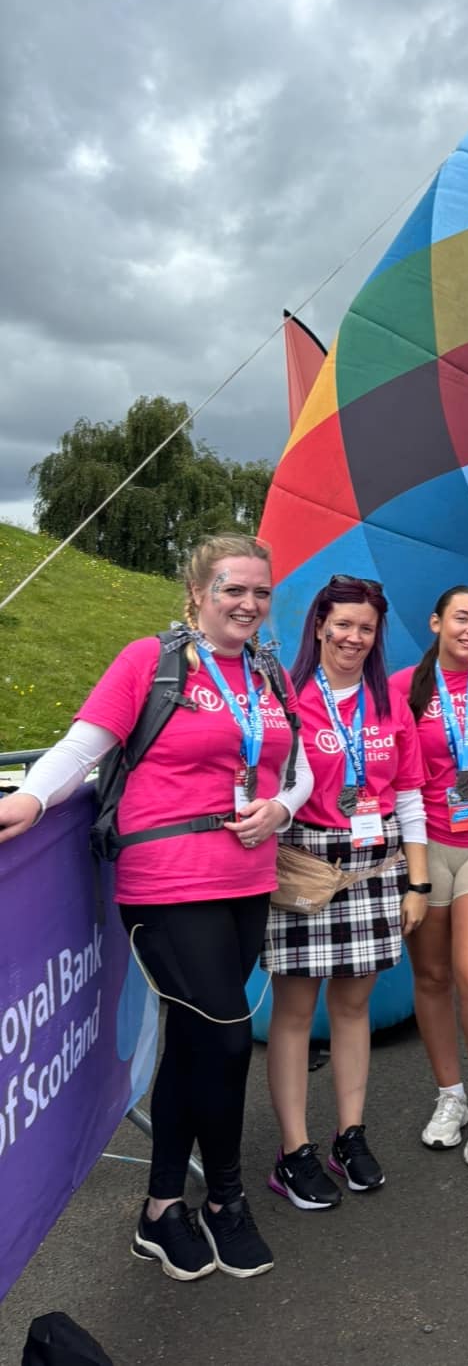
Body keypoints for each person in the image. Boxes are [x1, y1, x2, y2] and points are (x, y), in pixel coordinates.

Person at [0, 535, 312, 1281]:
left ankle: (160, 1207)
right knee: (231, 1040)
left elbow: (295, 767)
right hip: (166, 879)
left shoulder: (268, 671)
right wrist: (32, 797)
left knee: (198, 1042)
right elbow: (84, 745)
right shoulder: (151, 659)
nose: (248, 604)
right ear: (197, 591)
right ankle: (226, 1199)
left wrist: (279, 807)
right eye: (233, 588)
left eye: (261, 592)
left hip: (247, 878)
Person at [262, 576, 430, 1209]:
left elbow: (409, 798)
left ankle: (348, 1135)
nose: (354, 638)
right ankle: (294, 1149)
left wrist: (417, 882)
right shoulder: (287, 700)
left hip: (375, 866)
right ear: (319, 627)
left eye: (365, 628)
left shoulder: (389, 706)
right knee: (297, 1013)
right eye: (343, 625)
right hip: (305, 867)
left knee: (354, 1009)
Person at [390, 587, 468, 1169]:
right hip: (424, 846)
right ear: (436, 621)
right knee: (433, 975)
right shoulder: (399, 688)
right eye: (462, 618)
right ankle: (451, 1097)